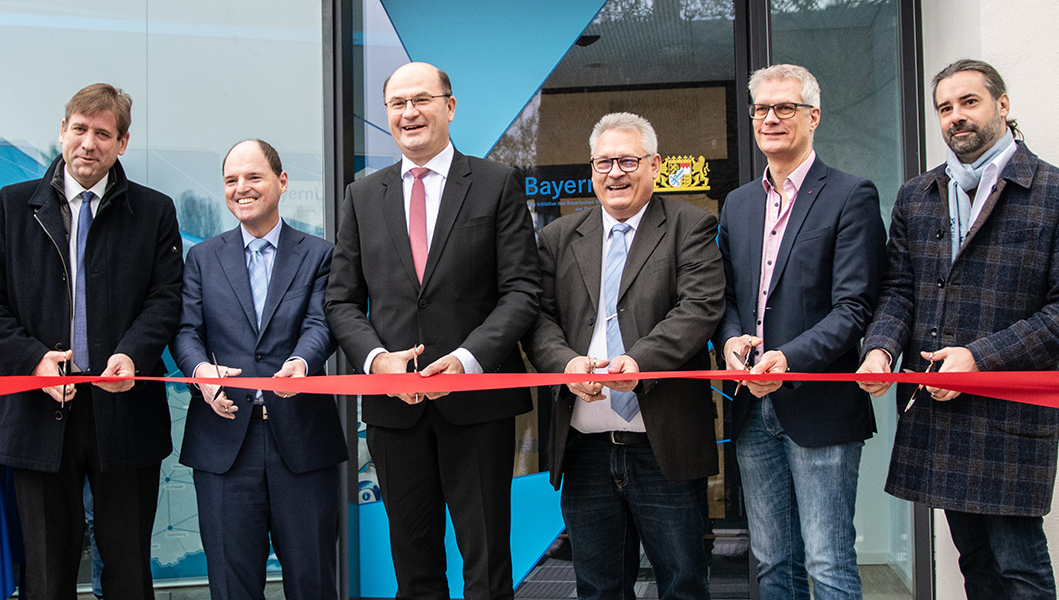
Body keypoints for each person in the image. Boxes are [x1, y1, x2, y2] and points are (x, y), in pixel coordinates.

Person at [324, 62, 540, 599]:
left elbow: (522, 291)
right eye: (397, 103)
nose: (409, 113)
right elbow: (341, 301)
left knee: (486, 567)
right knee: (414, 568)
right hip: (394, 410)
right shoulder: (361, 195)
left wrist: (467, 360)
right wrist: (378, 361)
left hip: (478, 405)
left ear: (450, 105)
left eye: (421, 99)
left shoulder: (496, 183)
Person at [858, 59, 1059, 598]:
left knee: (1021, 569)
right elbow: (899, 290)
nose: (956, 117)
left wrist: (978, 359)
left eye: (969, 102)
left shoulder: (1052, 191)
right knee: (976, 564)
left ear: (1003, 105)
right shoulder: (917, 195)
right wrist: (880, 349)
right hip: (941, 411)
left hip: (1012, 412)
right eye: (945, 107)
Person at [0, 83, 183, 598]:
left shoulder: (154, 211)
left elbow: (166, 299)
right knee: (47, 575)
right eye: (80, 129)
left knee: (128, 571)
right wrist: (32, 360)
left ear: (123, 143)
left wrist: (132, 353)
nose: (89, 143)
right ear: (62, 131)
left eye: (103, 133)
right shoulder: (12, 206)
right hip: (37, 411)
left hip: (126, 410)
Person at [523, 112, 724, 599]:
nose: (615, 173)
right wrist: (565, 364)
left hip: (664, 445)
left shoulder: (690, 226)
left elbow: (699, 308)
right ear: (592, 169)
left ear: (654, 165)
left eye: (628, 161)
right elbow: (537, 318)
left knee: (683, 586)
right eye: (604, 162)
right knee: (598, 589)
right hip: (585, 449)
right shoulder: (557, 238)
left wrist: (640, 361)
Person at [715, 64, 886, 599]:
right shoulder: (738, 203)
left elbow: (854, 308)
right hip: (752, 409)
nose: (771, 118)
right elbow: (727, 298)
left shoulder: (851, 195)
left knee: (827, 561)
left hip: (820, 406)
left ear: (813, 116)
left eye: (785, 107)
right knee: (772, 562)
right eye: (761, 109)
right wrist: (732, 340)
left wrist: (786, 358)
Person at [172, 139, 346, 599]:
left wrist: (300, 364)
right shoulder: (202, 258)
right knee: (232, 588)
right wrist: (201, 373)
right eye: (231, 180)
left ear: (282, 181)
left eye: (253, 177)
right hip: (224, 443)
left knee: (312, 583)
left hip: (303, 441)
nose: (241, 188)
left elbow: (321, 323)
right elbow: (185, 331)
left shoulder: (319, 254)